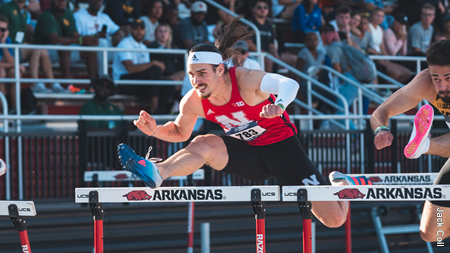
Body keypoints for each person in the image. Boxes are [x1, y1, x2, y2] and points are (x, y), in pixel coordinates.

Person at [118, 17, 371, 229]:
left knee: (335, 220)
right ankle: (159, 172)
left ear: (219, 70)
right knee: (202, 143)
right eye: (192, 75)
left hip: (283, 150)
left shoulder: (246, 80)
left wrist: (279, 105)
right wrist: (155, 131)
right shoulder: (193, 101)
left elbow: (289, 84)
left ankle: (341, 182)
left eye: (202, 73)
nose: (196, 81)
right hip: (248, 155)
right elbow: (179, 132)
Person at [370, 39, 450, 244]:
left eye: (448, 78)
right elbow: (381, 112)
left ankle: (424, 145)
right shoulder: (425, 83)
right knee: (433, 233)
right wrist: (381, 129)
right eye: (436, 78)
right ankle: (423, 146)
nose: (442, 86)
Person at [0, 0, 63, 93]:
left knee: (42, 50)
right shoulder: (6, 8)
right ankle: (36, 83)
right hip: (9, 46)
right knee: (38, 49)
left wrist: (24, 41)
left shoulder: (25, 12)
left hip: (18, 47)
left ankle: (51, 83)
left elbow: (21, 31)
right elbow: (3, 28)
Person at [33, 0, 99, 80]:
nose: (61, 2)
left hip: (61, 50)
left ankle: (93, 83)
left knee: (90, 49)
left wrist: (89, 40)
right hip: (44, 51)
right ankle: (67, 85)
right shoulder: (45, 15)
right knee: (65, 48)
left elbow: (75, 35)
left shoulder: (68, 14)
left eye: (63, 0)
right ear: (52, 2)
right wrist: (81, 40)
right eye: (58, 0)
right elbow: (54, 40)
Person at [113, 19, 165, 112]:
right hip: (122, 82)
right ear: (131, 30)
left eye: (141, 29)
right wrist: (153, 63)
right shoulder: (125, 44)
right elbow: (131, 69)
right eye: (136, 29)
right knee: (155, 70)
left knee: (168, 84)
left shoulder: (143, 47)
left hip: (137, 81)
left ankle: (161, 111)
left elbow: (145, 69)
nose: (139, 32)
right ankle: (154, 109)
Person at [74, 0, 124, 78]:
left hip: (105, 51)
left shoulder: (104, 17)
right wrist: (96, 36)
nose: (96, 2)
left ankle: (121, 80)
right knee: (102, 42)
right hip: (86, 51)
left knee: (124, 45)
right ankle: (103, 77)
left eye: (99, 0)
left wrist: (118, 35)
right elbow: (77, 38)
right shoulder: (78, 15)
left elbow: (117, 30)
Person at [248, 0, 297, 73]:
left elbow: (271, 43)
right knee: (269, 59)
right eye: (259, 7)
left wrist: (274, 52)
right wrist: (266, 53)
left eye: (265, 7)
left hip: (269, 54)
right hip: (256, 55)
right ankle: (268, 84)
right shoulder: (249, 24)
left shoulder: (269, 25)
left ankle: (296, 84)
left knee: (294, 59)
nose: (263, 9)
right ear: (253, 9)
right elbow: (249, 44)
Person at [369, 8, 411, 84]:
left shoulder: (381, 29)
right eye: (377, 15)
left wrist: (403, 39)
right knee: (397, 73)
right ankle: (384, 88)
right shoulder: (369, 27)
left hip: (381, 57)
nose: (379, 18)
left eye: (382, 16)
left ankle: (388, 89)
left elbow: (382, 48)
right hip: (373, 57)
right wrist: (401, 39)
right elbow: (393, 53)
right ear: (372, 16)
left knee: (407, 73)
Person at [148, 23, 183, 114]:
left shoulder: (171, 47)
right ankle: (162, 109)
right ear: (155, 34)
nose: (163, 34)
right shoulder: (153, 45)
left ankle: (177, 106)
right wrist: (175, 52)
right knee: (174, 83)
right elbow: (168, 54)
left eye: (165, 31)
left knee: (188, 77)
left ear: (169, 34)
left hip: (171, 76)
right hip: (160, 76)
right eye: (160, 31)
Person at [0, 15, 25, 111]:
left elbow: (11, 61)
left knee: (15, 73)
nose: (2, 32)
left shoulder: (6, 40)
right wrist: (15, 65)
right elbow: (13, 63)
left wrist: (3, 44)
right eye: (0, 29)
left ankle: (15, 109)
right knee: (1, 71)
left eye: (4, 30)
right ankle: (2, 110)